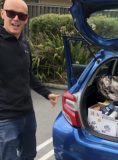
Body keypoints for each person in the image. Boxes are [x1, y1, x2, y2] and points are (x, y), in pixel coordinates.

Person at [0, 0, 60, 159]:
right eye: (11, 13)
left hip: (27, 114)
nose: (16, 19)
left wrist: (47, 94)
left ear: (26, 19)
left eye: (21, 15)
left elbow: (29, 75)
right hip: (5, 119)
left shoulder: (24, 43)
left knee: (29, 154)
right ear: (2, 14)